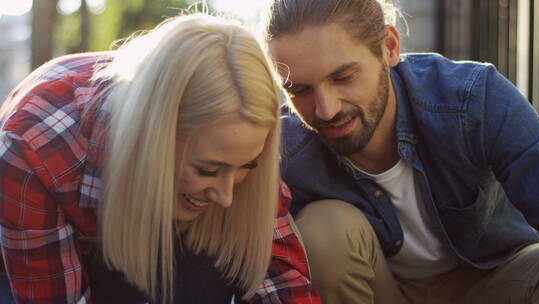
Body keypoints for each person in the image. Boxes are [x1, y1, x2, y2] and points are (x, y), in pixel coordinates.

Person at [263, 0, 539, 303]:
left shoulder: (470, 100)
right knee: (325, 229)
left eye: (343, 77)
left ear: (389, 47)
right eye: (299, 90)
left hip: (495, 280)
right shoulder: (285, 152)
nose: (326, 110)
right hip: (384, 292)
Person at [0, 13, 321, 304]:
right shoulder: (33, 145)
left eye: (246, 167)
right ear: (153, 135)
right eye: (207, 169)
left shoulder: (235, 132)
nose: (226, 197)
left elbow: (281, 284)